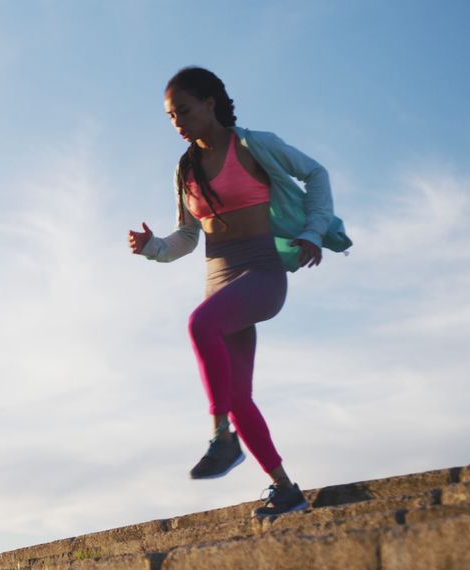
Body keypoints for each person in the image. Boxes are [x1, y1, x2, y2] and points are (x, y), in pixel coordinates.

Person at [127, 66, 351, 518]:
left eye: (184, 111)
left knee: (199, 323)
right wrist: (153, 247)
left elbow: (317, 173)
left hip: (262, 273)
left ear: (211, 102)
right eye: (171, 117)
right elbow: (188, 238)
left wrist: (312, 230)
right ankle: (284, 489)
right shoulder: (186, 167)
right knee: (239, 395)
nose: (178, 123)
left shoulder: (253, 145)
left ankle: (221, 436)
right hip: (219, 280)